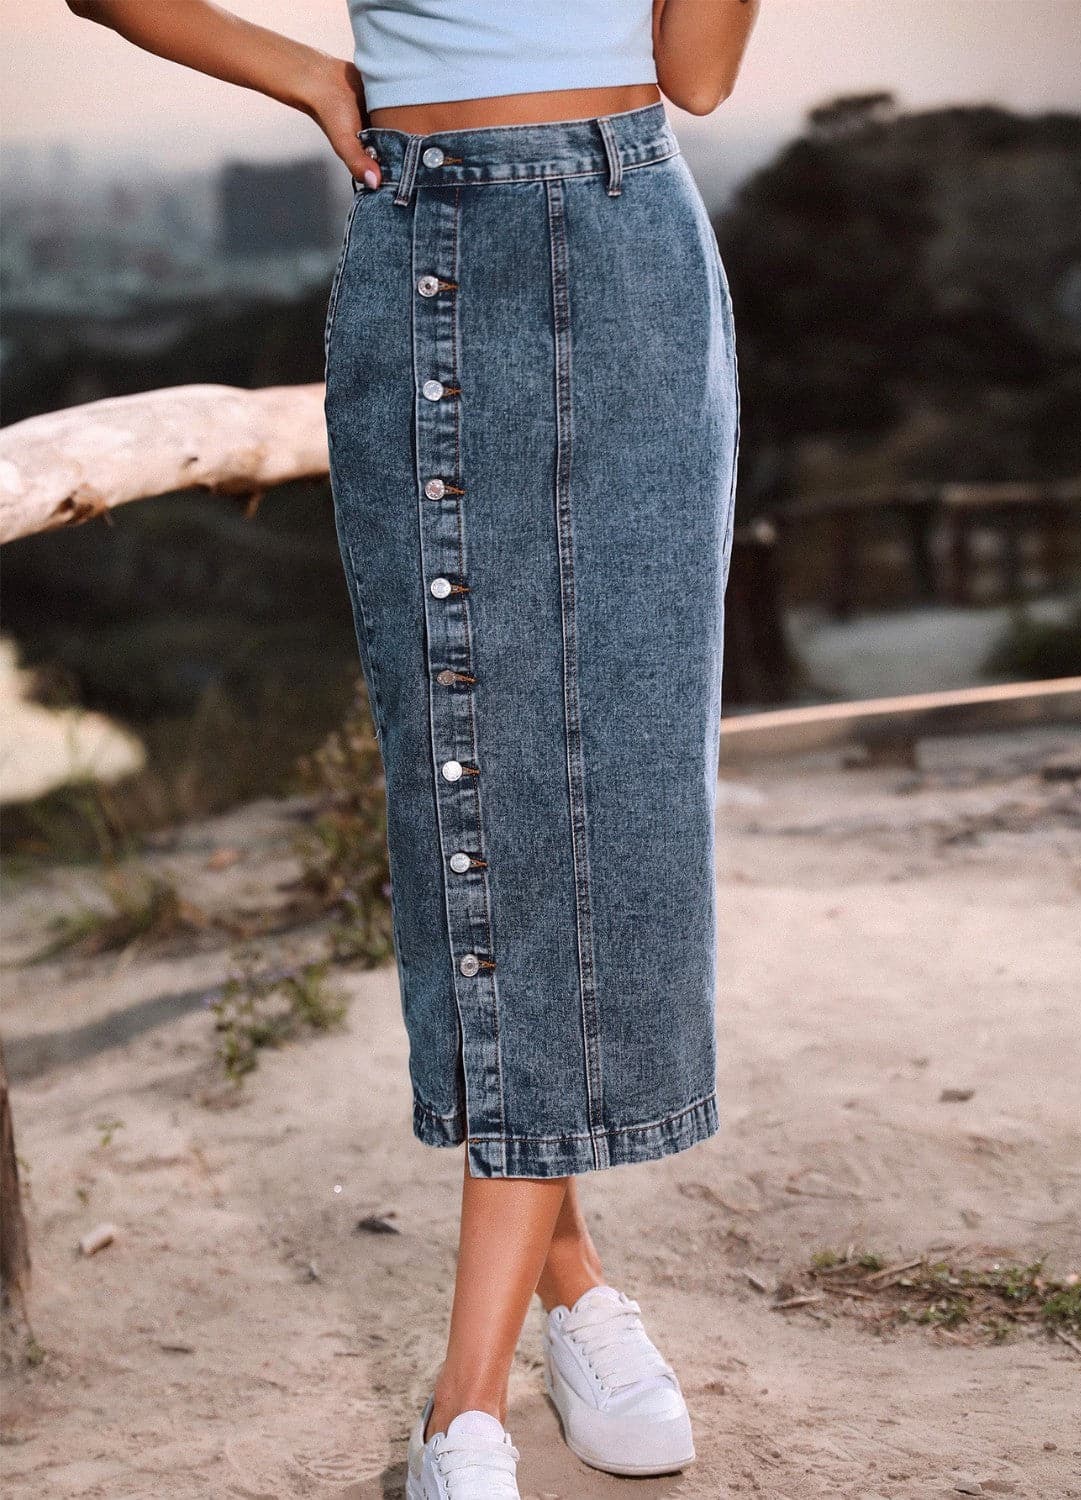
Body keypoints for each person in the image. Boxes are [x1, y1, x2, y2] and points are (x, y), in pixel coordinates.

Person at [64, 3, 760, 1495]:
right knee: (476, 776)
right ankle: (480, 1391)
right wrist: (316, 76)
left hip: (627, 247)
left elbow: (697, 73)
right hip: (439, 242)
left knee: (604, 788)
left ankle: (531, 1330)